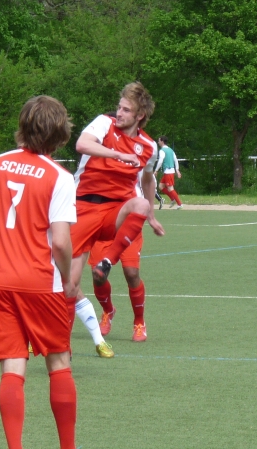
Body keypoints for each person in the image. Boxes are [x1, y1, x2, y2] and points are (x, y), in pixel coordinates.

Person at [0, 95, 80, 449]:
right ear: (60, 134)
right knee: (59, 362)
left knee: (12, 367)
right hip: (41, 283)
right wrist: (67, 278)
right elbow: (60, 243)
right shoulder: (59, 177)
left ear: (22, 126)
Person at [72, 82, 164, 343]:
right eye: (119, 107)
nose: (119, 113)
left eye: (126, 110)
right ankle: (106, 312)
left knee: (132, 270)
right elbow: (82, 144)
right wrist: (117, 155)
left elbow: (148, 180)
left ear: (140, 116)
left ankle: (138, 320)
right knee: (72, 280)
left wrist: (152, 216)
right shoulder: (104, 123)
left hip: (120, 212)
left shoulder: (149, 146)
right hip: (86, 207)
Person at [154, 136, 183, 209]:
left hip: (168, 172)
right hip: (169, 171)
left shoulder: (162, 150)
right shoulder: (170, 150)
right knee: (161, 186)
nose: (158, 142)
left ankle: (180, 204)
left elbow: (160, 161)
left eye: (159, 141)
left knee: (170, 188)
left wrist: (156, 170)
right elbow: (175, 160)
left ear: (162, 141)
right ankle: (172, 199)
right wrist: (177, 170)